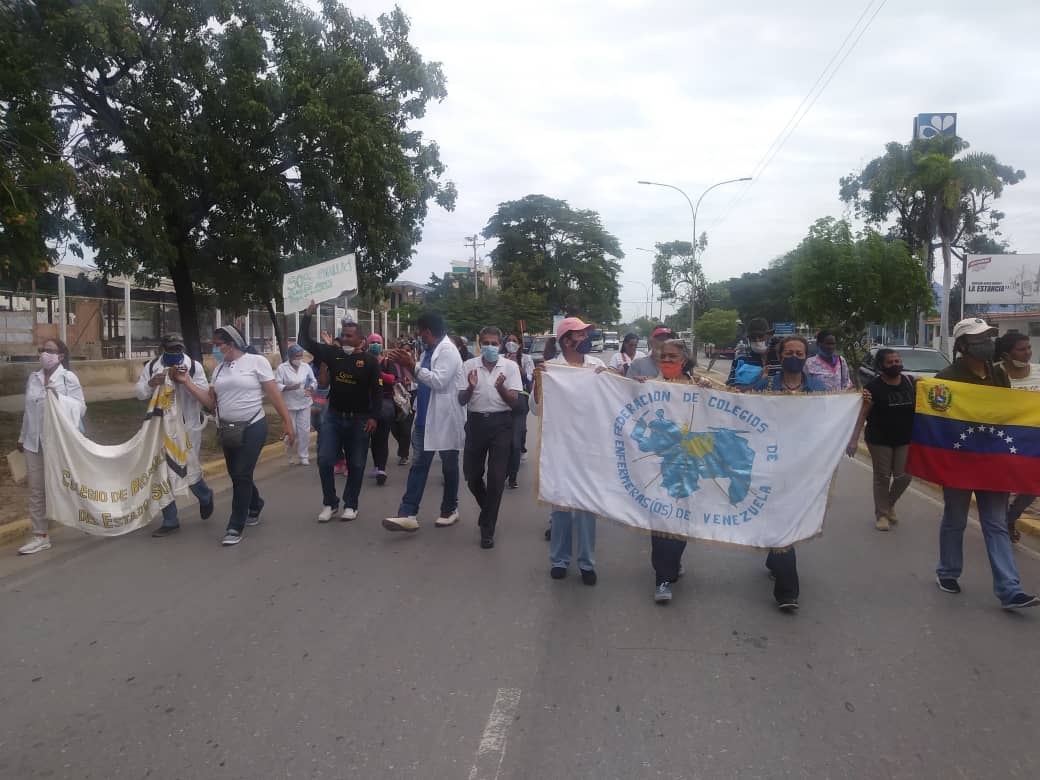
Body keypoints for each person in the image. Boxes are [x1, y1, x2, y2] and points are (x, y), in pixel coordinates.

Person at [933, 317, 1038, 609]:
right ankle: (948, 572)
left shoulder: (999, 375)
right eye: (980, 339)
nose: (987, 344)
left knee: (995, 524)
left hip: (993, 460)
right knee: (955, 520)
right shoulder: (946, 378)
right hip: (960, 462)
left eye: (989, 337)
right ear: (963, 345)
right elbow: (939, 422)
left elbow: (1005, 414)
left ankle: (1010, 590)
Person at [173, 325, 295, 546]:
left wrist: (288, 423)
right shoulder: (219, 369)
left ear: (232, 344)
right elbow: (211, 404)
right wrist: (187, 383)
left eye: (219, 344)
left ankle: (234, 526)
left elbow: (274, 395)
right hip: (228, 430)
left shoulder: (257, 362)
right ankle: (255, 504)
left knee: (240, 474)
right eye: (214, 345)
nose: (216, 348)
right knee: (238, 474)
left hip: (253, 426)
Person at [748, 335, 828, 610]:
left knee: (785, 522)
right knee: (780, 521)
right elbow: (746, 414)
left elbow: (826, 424)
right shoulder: (765, 384)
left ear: (806, 356)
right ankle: (787, 592)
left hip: (802, 468)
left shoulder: (818, 388)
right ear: (780, 357)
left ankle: (775, 557)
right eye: (789, 352)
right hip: (769, 465)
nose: (794, 356)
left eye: (799, 352)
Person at [532, 316, 606, 585]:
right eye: (580, 335)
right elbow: (535, 408)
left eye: (586, 334)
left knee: (587, 507)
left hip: (589, 448)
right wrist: (538, 383)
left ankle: (587, 563)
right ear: (566, 340)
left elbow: (612, 398)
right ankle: (559, 560)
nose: (585, 339)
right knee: (561, 506)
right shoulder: (552, 368)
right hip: (561, 447)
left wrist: (608, 380)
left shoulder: (598, 366)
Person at [382, 311, 466, 532]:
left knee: (449, 466)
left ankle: (450, 509)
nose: (420, 337)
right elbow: (421, 377)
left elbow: (438, 381)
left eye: (420, 333)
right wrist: (409, 370)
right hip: (425, 418)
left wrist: (412, 365)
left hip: (445, 418)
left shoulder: (447, 350)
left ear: (428, 332)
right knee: (419, 465)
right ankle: (407, 513)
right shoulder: (430, 351)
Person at [297, 304, 381, 522]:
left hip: (359, 421)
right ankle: (330, 503)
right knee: (325, 460)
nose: (344, 339)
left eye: (349, 336)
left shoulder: (371, 363)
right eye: (343, 335)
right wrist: (307, 315)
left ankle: (351, 504)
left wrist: (373, 417)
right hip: (333, 418)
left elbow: (377, 392)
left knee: (356, 464)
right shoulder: (332, 354)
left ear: (360, 340)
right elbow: (304, 342)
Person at [136, 333, 215, 538]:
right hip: (160, 429)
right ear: (163, 349)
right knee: (161, 472)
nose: (175, 354)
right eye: (171, 350)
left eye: (178, 349)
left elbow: (205, 396)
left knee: (188, 470)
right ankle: (170, 520)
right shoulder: (152, 366)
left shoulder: (194, 367)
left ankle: (205, 496)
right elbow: (139, 393)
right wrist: (152, 383)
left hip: (187, 428)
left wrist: (185, 381)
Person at [16, 338, 86, 555]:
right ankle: (40, 535)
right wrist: (22, 436)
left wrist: (58, 398)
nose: (44, 354)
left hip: (58, 442)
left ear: (61, 356)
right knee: (37, 490)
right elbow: (29, 410)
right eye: (42, 350)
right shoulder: (34, 378)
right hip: (33, 442)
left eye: (49, 350)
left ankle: (92, 518)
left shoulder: (68, 378)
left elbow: (81, 408)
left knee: (67, 483)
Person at [458, 327, 523, 548]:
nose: (490, 347)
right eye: (485, 342)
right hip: (476, 424)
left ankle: (488, 528)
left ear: (501, 345)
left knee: (496, 479)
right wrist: (470, 386)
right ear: (479, 344)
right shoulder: (468, 366)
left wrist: (501, 388)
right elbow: (461, 399)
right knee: (472, 476)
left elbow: (514, 402)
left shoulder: (510, 367)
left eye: (494, 343)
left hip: (501, 425)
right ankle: (487, 510)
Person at [846, 348, 915, 531]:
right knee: (882, 477)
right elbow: (862, 415)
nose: (895, 365)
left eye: (897, 361)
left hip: (905, 438)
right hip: (879, 439)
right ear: (881, 366)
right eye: (890, 362)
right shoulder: (873, 388)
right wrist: (854, 440)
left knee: (904, 476)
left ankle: (889, 504)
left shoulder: (910, 382)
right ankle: (882, 515)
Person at [996, 331, 1040, 542]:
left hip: (1034, 442)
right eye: (1021, 349)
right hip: (1004, 442)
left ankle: (1010, 519)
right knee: (1002, 488)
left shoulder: (1039, 372)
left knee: (1033, 486)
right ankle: (998, 526)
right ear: (1006, 354)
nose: (1027, 353)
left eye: (1029, 348)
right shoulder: (994, 375)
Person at [365, 333, 398, 486]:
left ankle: (381, 468)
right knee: (372, 437)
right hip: (366, 402)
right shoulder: (363, 360)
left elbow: (392, 379)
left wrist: (376, 372)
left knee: (382, 437)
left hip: (385, 403)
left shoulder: (387, 362)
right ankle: (377, 467)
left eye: (378, 342)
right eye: (373, 342)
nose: (375, 345)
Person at [275, 344, 316, 466]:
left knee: (304, 430)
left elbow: (313, 380)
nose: (299, 359)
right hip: (289, 405)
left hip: (304, 402)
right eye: (297, 356)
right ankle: (289, 454)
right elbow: (276, 385)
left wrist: (311, 388)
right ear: (290, 356)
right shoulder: (282, 368)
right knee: (291, 431)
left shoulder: (306, 367)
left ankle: (304, 456)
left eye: (301, 356)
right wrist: (288, 387)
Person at [503, 333, 534, 489]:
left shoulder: (526, 359)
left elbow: (529, 379)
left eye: (514, 341)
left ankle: (512, 477)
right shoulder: (500, 357)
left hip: (520, 400)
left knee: (515, 443)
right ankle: (502, 471)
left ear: (520, 344)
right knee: (502, 442)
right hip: (501, 400)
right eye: (508, 341)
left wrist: (514, 362)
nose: (511, 343)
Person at [727, 317, 781, 388]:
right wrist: (759, 382)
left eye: (760, 336)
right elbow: (730, 388)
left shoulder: (780, 358)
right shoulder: (741, 360)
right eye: (753, 337)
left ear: (769, 336)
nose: (757, 340)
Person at [390, 337, 417, 466]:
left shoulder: (416, 364)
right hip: (395, 397)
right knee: (394, 428)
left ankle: (403, 454)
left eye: (408, 350)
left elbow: (422, 379)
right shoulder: (391, 363)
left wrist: (410, 382)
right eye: (403, 350)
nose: (405, 353)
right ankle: (403, 444)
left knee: (405, 428)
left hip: (410, 397)